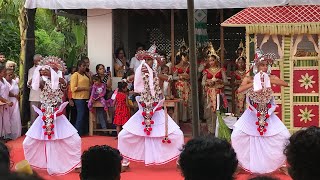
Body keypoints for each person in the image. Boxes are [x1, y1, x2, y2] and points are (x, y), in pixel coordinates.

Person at [118, 45, 184, 170]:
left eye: (150, 60)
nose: (147, 62)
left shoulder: (157, 75)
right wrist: (127, 80)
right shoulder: (141, 73)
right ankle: (124, 162)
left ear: (154, 62)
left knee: (178, 135)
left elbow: (164, 78)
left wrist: (170, 78)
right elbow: (132, 79)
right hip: (143, 113)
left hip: (157, 113)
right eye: (146, 60)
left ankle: (181, 161)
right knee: (123, 136)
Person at [231, 49, 290, 174]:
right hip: (251, 114)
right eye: (261, 65)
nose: (264, 67)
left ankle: (281, 163)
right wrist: (255, 83)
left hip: (268, 114)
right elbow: (240, 90)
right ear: (256, 66)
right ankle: (239, 163)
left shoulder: (271, 77)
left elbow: (285, 84)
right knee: (236, 136)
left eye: (266, 65)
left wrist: (267, 80)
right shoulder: (249, 78)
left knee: (284, 136)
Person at [23, 56, 81, 175]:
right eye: (49, 68)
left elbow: (63, 84)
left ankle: (76, 163)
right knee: (27, 142)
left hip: (58, 117)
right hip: (43, 117)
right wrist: (37, 74)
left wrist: (52, 74)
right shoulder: (43, 82)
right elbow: (31, 84)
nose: (50, 70)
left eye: (54, 69)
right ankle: (36, 163)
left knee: (75, 140)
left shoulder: (60, 81)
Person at [202, 44, 228, 134]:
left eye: (213, 60)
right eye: (209, 61)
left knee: (218, 110)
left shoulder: (221, 70)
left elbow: (226, 82)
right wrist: (208, 82)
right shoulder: (206, 71)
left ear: (216, 60)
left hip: (218, 92)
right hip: (209, 93)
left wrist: (218, 80)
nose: (211, 62)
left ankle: (219, 129)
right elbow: (202, 82)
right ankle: (210, 129)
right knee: (209, 111)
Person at [70, 60, 91, 136]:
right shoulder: (75, 75)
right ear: (79, 66)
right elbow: (73, 88)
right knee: (80, 115)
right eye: (83, 66)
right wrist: (85, 88)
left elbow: (90, 84)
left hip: (86, 97)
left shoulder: (85, 75)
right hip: (78, 98)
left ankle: (82, 131)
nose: (85, 67)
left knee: (84, 115)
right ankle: (76, 132)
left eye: (86, 66)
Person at [172, 47, 191, 122]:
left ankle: (187, 117)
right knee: (181, 101)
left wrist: (188, 77)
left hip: (188, 85)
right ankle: (180, 117)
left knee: (188, 100)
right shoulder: (176, 67)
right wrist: (181, 76)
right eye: (186, 57)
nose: (187, 59)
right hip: (179, 86)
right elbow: (173, 77)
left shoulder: (189, 66)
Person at [6, 69, 21, 140]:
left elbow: (17, 90)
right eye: (8, 75)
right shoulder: (4, 82)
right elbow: (6, 92)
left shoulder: (14, 82)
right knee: (7, 118)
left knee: (15, 117)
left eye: (11, 74)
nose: (10, 76)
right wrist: (15, 95)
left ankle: (15, 134)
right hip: (8, 102)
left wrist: (17, 96)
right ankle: (7, 135)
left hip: (15, 102)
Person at [27, 54, 42, 125]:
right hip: (34, 97)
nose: (40, 62)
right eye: (38, 60)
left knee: (43, 117)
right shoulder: (31, 70)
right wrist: (36, 75)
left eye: (41, 60)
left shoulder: (46, 69)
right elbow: (29, 84)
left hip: (44, 97)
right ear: (34, 61)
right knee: (34, 117)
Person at [0, 65, 13, 141]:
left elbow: (8, 91)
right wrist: (7, 101)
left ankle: (4, 136)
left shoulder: (4, 80)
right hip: (2, 103)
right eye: (3, 72)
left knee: (5, 120)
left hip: (5, 104)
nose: (5, 73)